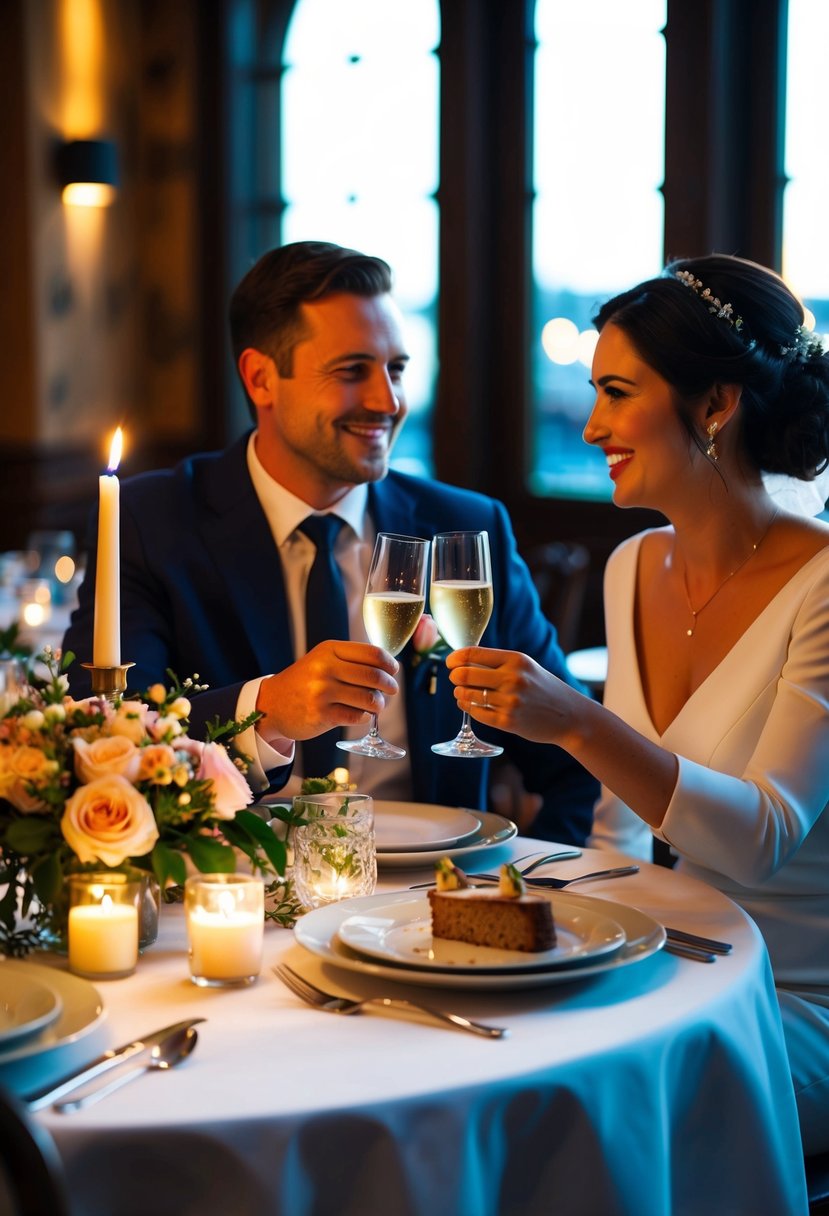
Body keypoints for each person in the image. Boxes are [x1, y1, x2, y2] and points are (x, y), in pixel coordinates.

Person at [446, 253, 829, 1153]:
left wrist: (578, 724)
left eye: (616, 393)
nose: (589, 428)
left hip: (780, 997)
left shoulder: (820, 584)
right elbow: (620, 832)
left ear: (714, 406)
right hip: (639, 957)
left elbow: (761, 837)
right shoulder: (632, 568)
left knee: (561, 1109)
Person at [62, 240, 598, 843]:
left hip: (427, 910)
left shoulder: (468, 530)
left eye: (395, 369)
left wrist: (530, 895)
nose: (388, 402)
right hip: (237, 898)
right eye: (352, 372)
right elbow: (104, 739)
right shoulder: (153, 521)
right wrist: (270, 710)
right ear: (261, 378)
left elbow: (576, 762)